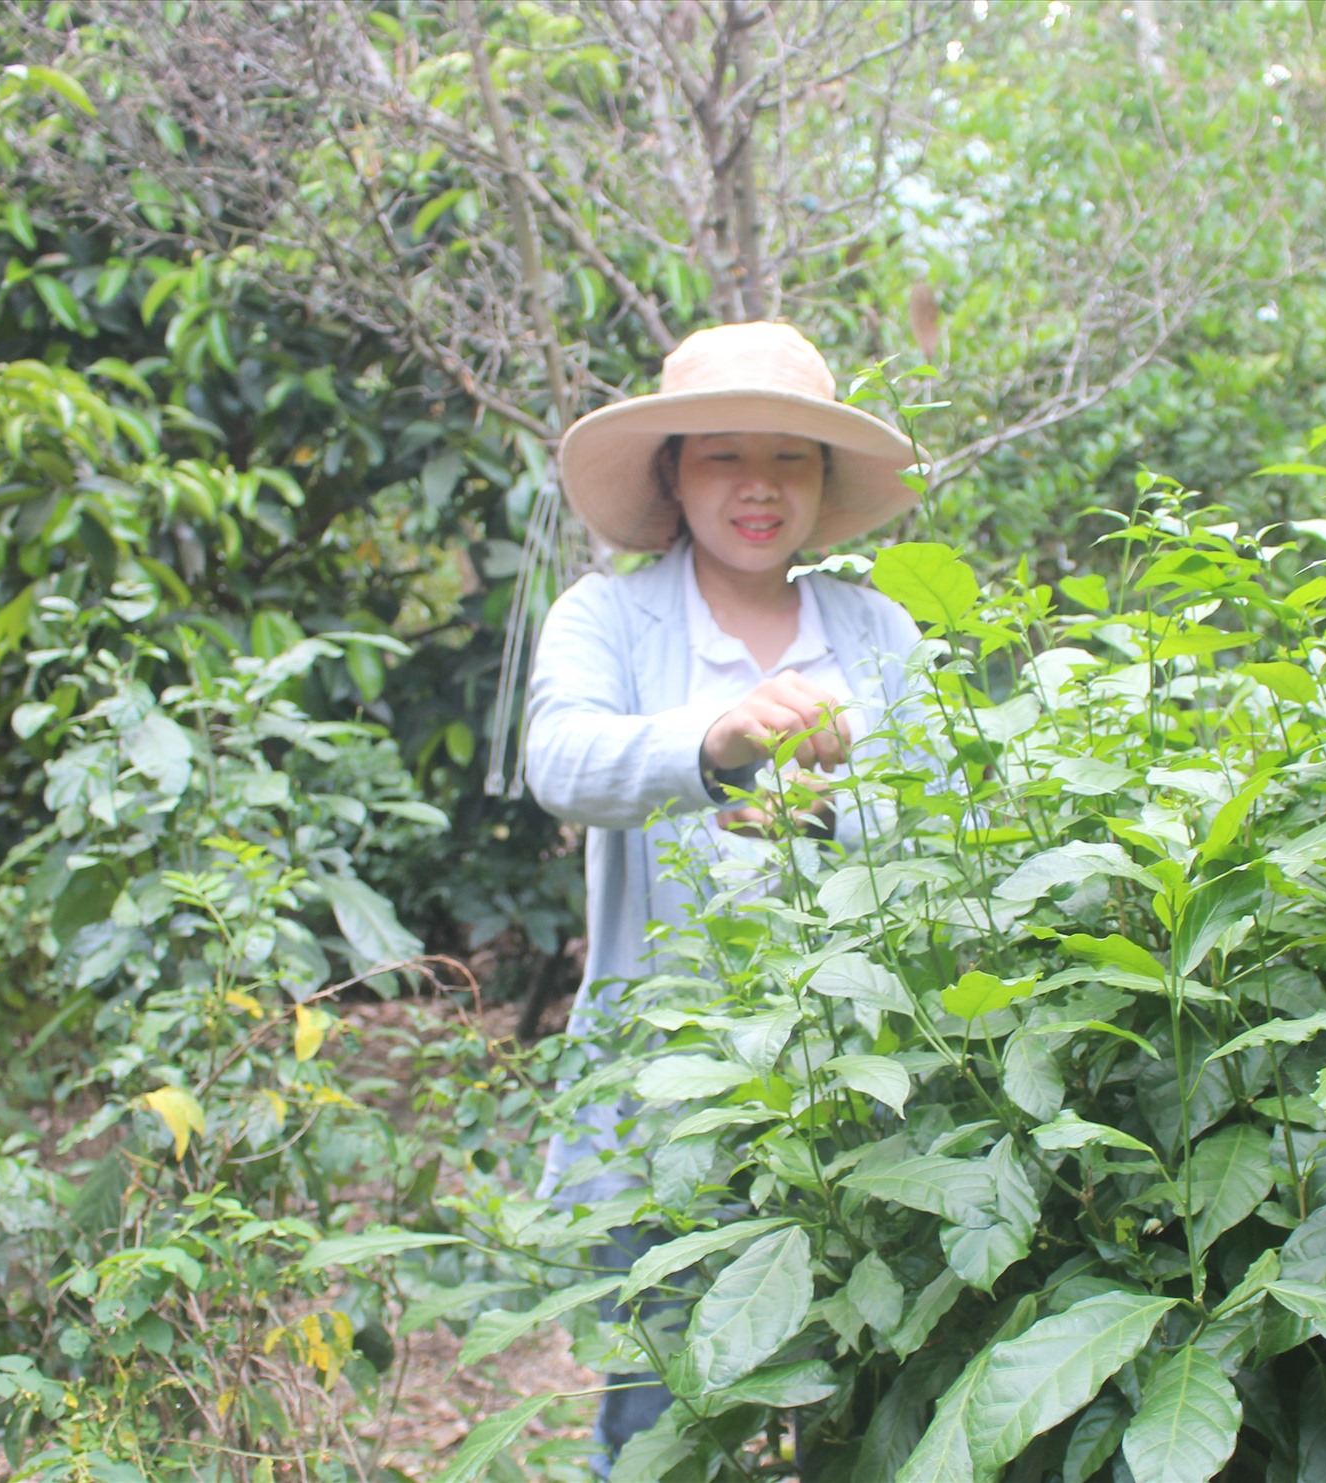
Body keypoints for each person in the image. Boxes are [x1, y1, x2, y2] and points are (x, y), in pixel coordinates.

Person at [523, 320, 924, 1473]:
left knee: (861, 1411)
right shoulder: (607, 619)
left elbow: (951, 820)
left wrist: (845, 808)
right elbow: (565, 759)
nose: (758, 486)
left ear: (822, 479)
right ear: (672, 473)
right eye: (721, 456)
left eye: (789, 457)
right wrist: (712, 744)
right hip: (664, 1103)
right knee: (667, 1416)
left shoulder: (878, 633)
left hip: (861, 1094)